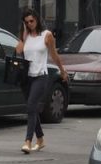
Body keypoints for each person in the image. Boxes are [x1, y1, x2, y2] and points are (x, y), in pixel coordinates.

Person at [17, 8, 66, 154]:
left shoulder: (47, 35)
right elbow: (18, 51)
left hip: (40, 76)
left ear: (37, 20)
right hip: (26, 77)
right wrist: (23, 36)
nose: (29, 24)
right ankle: (40, 139)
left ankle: (28, 141)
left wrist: (62, 71)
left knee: (31, 106)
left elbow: (54, 55)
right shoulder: (26, 36)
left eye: (31, 21)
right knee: (31, 108)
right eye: (26, 22)